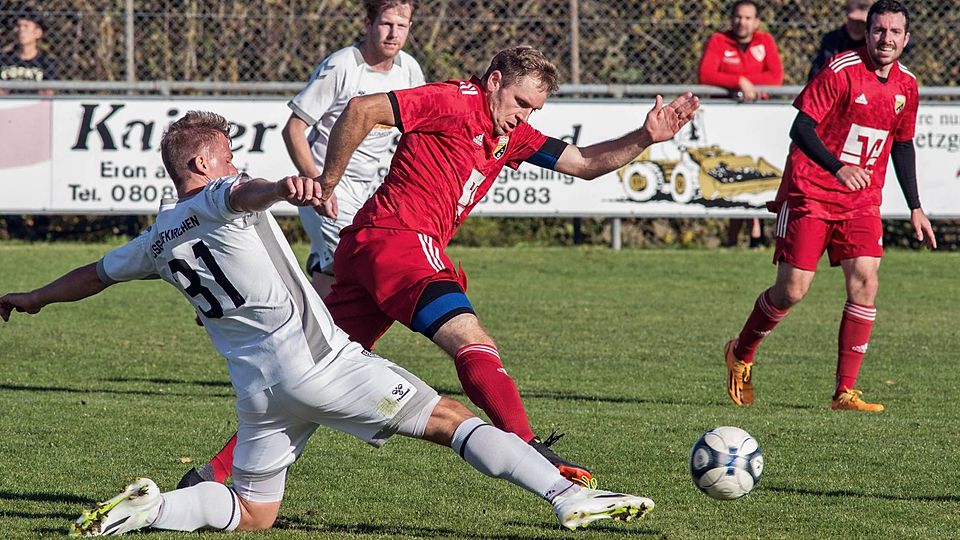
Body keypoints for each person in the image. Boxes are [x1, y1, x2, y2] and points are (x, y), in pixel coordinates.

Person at [0, 111, 656, 536]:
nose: (236, 163)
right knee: (452, 421)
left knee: (255, 514)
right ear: (201, 165)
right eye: (228, 155)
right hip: (320, 364)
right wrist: (286, 188)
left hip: (260, 393)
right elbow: (245, 193)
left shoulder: (156, 238)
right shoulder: (223, 195)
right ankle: (564, 497)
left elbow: (92, 273)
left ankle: (155, 509)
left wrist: (32, 297)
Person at [186, 47, 699, 491]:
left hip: (367, 250)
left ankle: (213, 473)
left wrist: (646, 136)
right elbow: (364, 109)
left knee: (310, 375)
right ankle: (527, 449)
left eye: (534, 109)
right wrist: (328, 180)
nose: (524, 116)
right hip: (399, 241)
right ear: (494, 81)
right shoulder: (455, 100)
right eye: (520, 103)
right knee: (471, 340)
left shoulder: (510, 136)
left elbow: (584, 163)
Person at [724, 0, 936, 413]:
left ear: (906, 38)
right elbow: (800, 127)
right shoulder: (840, 71)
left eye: (895, 32)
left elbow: (903, 145)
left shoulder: (907, 86)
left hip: (860, 200)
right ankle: (741, 352)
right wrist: (838, 168)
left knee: (866, 280)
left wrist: (915, 206)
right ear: (867, 32)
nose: (886, 39)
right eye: (879, 30)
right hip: (810, 192)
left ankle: (845, 392)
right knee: (792, 290)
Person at [283, 0, 424, 299]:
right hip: (330, 186)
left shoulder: (409, 69)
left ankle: (274, 312)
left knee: (333, 275)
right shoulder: (343, 65)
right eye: (386, 24)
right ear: (368, 24)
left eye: (401, 26)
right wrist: (318, 186)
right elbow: (294, 128)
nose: (393, 33)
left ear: (410, 28)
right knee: (360, 266)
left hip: (370, 188)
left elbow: (419, 131)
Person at [698, 0, 783, 103]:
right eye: (738, 17)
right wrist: (739, 81)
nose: (742, 22)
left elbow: (776, 77)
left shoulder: (765, 41)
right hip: (723, 106)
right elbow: (706, 75)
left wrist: (746, 83)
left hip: (759, 105)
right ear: (731, 19)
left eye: (747, 18)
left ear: (756, 22)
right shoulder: (718, 40)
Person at [0, 6, 58, 95]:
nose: (21, 30)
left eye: (26, 26)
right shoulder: (3, 59)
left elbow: (49, 92)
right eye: (19, 26)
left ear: (38, 33)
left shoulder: (46, 62)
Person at [807, 0, 872, 81]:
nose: (856, 26)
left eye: (861, 22)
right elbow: (817, 70)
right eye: (853, 21)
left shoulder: (872, 43)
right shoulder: (832, 40)